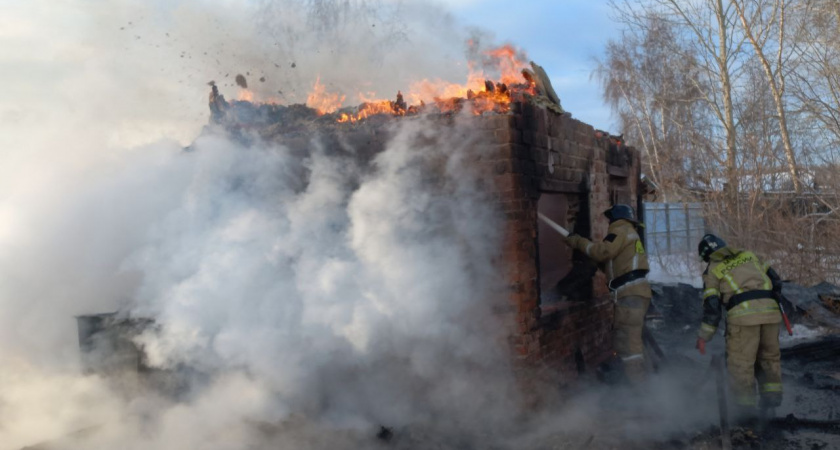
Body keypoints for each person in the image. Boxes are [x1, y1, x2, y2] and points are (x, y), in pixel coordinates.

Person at [696, 234, 783, 415]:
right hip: (771, 314)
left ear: (707, 256)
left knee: (741, 364)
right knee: (769, 358)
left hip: (744, 318)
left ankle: (745, 410)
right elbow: (776, 280)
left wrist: (704, 336)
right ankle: (771, 400)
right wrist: (769, 301)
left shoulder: (713, 269)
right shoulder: (749, 255)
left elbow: (712, 307)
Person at [563, 204, 651, 382]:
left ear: (616, 218)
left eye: (610, 219)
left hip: (629, 294)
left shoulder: (620, 230)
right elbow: (614, 263)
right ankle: (642, 378)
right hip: (634, 293)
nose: (609, 222)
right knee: (627, 338)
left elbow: (603, 252)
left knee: (629, 342)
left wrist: (578, 242)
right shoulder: (630, 233)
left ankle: (639, 386)